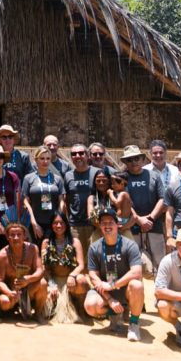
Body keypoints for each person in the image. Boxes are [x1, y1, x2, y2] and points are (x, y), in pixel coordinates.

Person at [84, 207, 144, 339]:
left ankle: (134, 323)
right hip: (106, 291)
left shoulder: (130, 245)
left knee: (137, 285)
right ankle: (115, 314)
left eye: (111, 222)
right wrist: (110, 299)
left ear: (118, 224)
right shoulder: (94, 248)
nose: (107, 226)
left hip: (124, 289)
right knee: (90, 306)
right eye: (103, 223)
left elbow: (137, 272)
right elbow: (93, 276)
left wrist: (113, 285)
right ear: (100, 226)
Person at [0, 208, 47, 319]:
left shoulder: (33, 249)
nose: (16, 238)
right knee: (4, 302)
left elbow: (40, 270)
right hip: (11, 292)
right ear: (7, 237)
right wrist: (9, 292)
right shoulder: (2, 255)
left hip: (30, 289)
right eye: (12, 235)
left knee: (42, 283)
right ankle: (10, 312)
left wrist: (28, 279)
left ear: (25, 236)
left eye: (19, 234)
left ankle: (38, 314)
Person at [122, 145, 166, 272]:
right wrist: (139, 220)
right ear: (125, 162)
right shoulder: (122, 178)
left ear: (142, 159)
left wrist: (150, 218)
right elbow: (124, 201)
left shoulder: (154, 175)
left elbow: (162, 199)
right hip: (132, 228)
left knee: (160, 264)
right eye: (129, 160)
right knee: (135, 265)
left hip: (154, 226)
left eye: (136, 158)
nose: (133, 162)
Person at [41, 211, 87, 324]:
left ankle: (81, 309)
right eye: (55, 223)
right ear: (51, 225)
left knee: (81, 280)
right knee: (46, 307)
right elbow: (44, 268)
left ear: (66, 224)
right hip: (54, 280)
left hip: (70, 279)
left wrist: (72, 275)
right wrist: (51, 284)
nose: (58, 225)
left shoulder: (75, 242)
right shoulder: (46, 243)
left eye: (61, 223)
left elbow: (81, 265)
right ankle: (54, 306)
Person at [21, 146, 66, 242]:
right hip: (35, 222)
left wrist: (57, 220)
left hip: (53, 223)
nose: (45, 161)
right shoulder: (28, 178)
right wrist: (34, 223)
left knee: (52, 249)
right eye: (42, 158)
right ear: (36, 160)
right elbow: (25, 202)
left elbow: (61, 201)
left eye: (48, 158)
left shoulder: (57, 178)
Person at [64, 145, 97, 251]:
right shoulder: (68, 175)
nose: (77, 156)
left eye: (81, 153)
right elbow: (66, 199)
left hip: (94, 224)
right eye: (74, 154)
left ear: (88, 156)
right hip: (74, 225)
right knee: (76, 256)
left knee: (93, 256)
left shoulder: (97, 173)